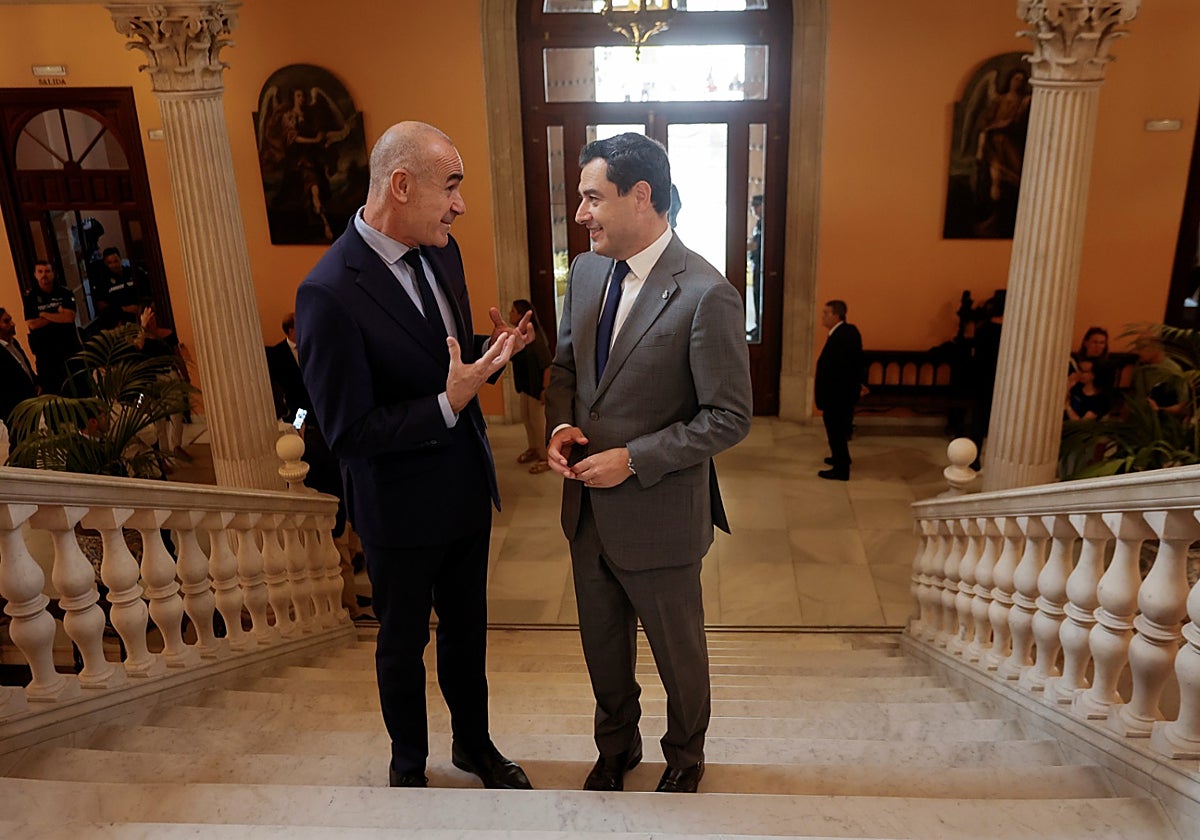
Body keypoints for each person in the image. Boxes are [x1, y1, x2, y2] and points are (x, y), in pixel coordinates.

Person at [295, 121, 534, 791]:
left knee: (468, 634)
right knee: (404, 644)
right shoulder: (327, 293)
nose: (460, 205)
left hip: (463, 486)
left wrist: (488, 357)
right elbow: (347, 433)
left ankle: (475, 746)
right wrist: (445, 403)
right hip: (397, 510)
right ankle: (408, 767)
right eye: (450, 187)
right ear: (401, 186)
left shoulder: (443, 252)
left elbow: (442, 359)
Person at [545, 132, 752, 795]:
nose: (581, 215)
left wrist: (632, 460)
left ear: (641, 196)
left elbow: (728, 417)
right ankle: (617, 749)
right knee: (603, 650)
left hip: (660, 516)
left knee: (677, 656)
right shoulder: (585, 273)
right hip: (586, 514)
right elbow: (566, 369)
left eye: (591, 198)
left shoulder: (705, 294)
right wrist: (559, 424)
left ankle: (685, 755)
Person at [265, 312, 367, 620]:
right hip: (303, 420)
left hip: (320, 420)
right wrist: (298, 426)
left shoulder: (318, 351)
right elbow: (288, 397)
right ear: (291, 331)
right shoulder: (277, 355)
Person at [814, 299, 864, 481]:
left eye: (826, 313)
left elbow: (848, 366)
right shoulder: (844, 332)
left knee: (837, 431)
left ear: (836, 315)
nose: (823, 317)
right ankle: (839, 458)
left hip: (838, 395)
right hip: (839, 394)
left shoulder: (844, 335)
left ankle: (841, 469)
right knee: (835, 430)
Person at [22, 260, 81, 394]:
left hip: (69, 349)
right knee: (53, 393)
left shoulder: (65, 293)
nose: (44, 275)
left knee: (78, 387)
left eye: (47, 271)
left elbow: (68, 318)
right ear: (35, 275)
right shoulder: (30, 297)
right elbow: (33, 324)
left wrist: (44, 315)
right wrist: (57, 314)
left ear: (53, 274)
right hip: (45, 355)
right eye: (40, 272)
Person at [509, 299, 552, 474]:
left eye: (513, 311)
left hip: (536, 388)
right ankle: (534, 448)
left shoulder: (535, 335)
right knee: (526, 418)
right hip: (525, 386)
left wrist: (544, 389)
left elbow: (547, 364)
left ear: (521, 315)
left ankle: (546, 457)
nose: (510, 314)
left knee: (538, 422)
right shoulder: (519, 334)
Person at [0, 307, 39, 436]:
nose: (12, 324)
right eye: (6, 321)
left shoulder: (13, 342)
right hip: (15, 409)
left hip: (29, 401)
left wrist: (35, 381)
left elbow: (24, 364)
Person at [92, 247, 149, 332]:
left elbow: (147, 290)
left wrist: (141, 306)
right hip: (118, 323)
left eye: (116, 261)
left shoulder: (133, 272)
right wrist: (123, 309)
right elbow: (101, 306)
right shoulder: (102, 281)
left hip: (140, 317)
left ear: (120, 259)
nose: (114, 265)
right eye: (110, 263)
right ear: (105, 263)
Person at [745, 194, 764, 341]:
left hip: (763, 266)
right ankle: (758, 325)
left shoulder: (765, 224)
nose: (753, 211)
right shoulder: (758, 225)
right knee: (756, 296)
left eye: (755, 207)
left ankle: (762, 327)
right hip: (756, 265)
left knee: (761, 297)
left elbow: (757, 245)